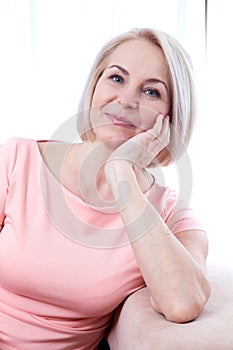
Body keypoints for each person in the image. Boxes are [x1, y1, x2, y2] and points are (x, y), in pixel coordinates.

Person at [0, 28, 211, 350]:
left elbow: (183, 303)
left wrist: (121, 173)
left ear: (171, 118)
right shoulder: (17, 159)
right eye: (116, 78)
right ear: (94, 88)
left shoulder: (172, 214)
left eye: (152, 92)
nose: (126, 100)